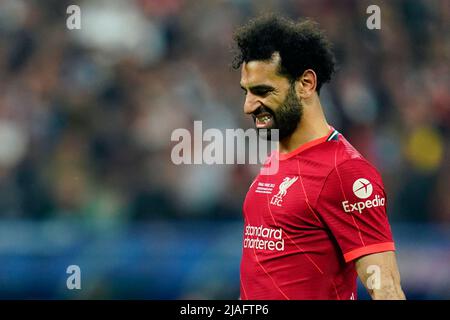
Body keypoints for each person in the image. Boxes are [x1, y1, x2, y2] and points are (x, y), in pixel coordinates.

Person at [233, 15, 405, 300]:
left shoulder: (346, 172)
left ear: (306, 83)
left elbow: (386, 289)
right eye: (247, 92)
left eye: (262, 91)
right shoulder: (276, 160)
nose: (248, 106)